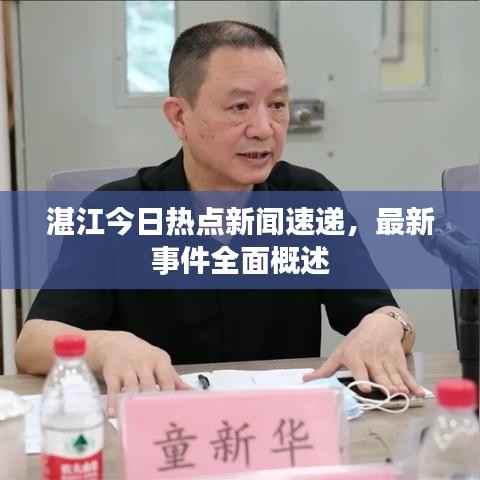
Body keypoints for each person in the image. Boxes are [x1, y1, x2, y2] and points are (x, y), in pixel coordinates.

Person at [15, 20, 424, 415]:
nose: (264, 128)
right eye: (239, 107)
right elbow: (31, 344)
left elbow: (388, 316)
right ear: (179, 117)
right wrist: (106, 347)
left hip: (280, 433)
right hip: (161, 434)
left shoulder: (310, 199)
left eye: (277, 105)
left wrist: (387, 325)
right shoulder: (117, 211)